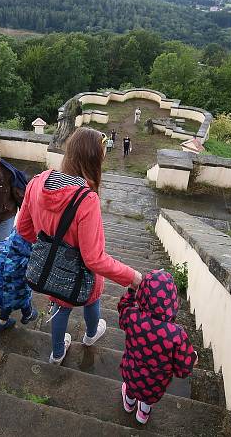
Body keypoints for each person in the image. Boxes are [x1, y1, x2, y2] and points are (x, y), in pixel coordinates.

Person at [17, 127, 143, 364]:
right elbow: (94, 259)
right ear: (94, 160)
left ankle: (56, 353)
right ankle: (91, 334)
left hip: (49, 273)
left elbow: (23, 229)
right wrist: (133, 277)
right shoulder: (87, 199)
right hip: (82, 276)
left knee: (59, 309)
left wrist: (50, 250)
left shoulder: (36, 183)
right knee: (92, 299)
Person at [118, 270, 197, 425]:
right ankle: (143, 414)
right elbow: (183, 370)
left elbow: (123, 307)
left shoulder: (132, 317)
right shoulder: (176, 335)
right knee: (148, 398)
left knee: (130, 388)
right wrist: (193, 357)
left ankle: (128, 404)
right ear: (173, 299)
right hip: (155, 384)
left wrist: (132, 290)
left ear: (143, 294)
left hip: (131, 372)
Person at [0, 229, 39, 331]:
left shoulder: (2, 249)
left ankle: (2, 323)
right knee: (25, 302)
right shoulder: (27, 259)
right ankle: (27, 316)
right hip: (20, 291)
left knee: (5, 307)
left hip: (0, 290)